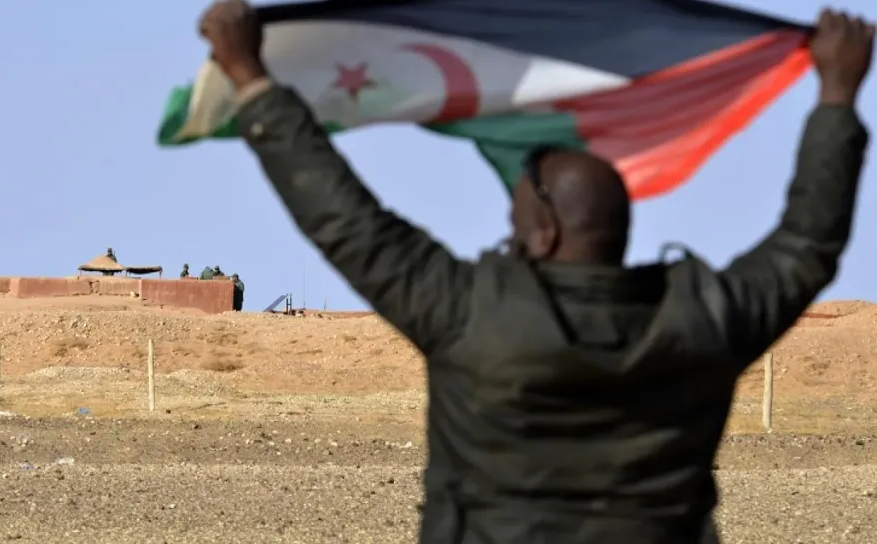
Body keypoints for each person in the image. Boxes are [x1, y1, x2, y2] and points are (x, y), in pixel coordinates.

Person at [199, 3, 872, 542]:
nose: (508, 239)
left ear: (544, 232)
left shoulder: (470, 316)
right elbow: (807, 244)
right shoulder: (705, 321)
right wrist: (838, 95)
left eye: (515, 222)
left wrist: (253, 80)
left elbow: (347, 221)